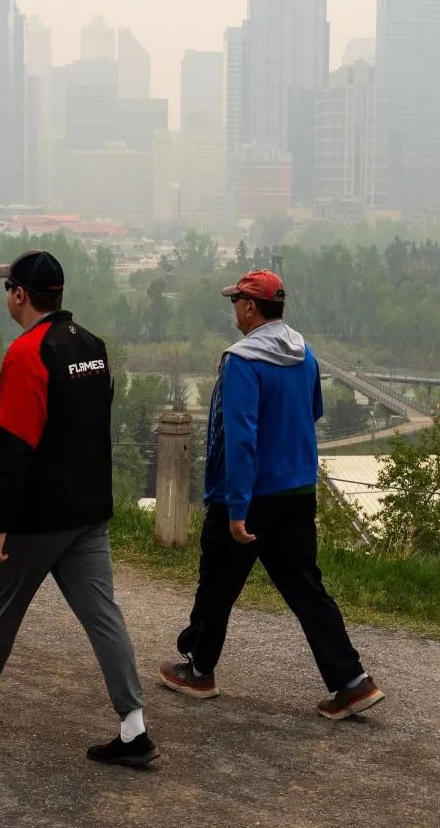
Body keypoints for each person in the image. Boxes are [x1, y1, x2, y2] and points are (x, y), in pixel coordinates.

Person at [0, 249, 158, 767]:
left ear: (20, 296)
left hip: (36, 518)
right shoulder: (93, 348)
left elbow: (13, 448)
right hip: (89, 513)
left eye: (8, 287)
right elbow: (99, 423)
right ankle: (134, 728)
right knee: (104, 618)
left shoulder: (26, 353)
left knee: (2, 611)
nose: (6, 295)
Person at [159, 269, 383, 720]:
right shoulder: (305, 354)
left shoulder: (243, 361)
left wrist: (238, 508)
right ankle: (352, 682)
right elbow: (313, 410)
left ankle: (199, 670)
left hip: (246, 496)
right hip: (297, 490)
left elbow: (241, 437)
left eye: (235, 303)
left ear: (249, 307)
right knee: (306, 589)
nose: (232, 311)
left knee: (217, 582)